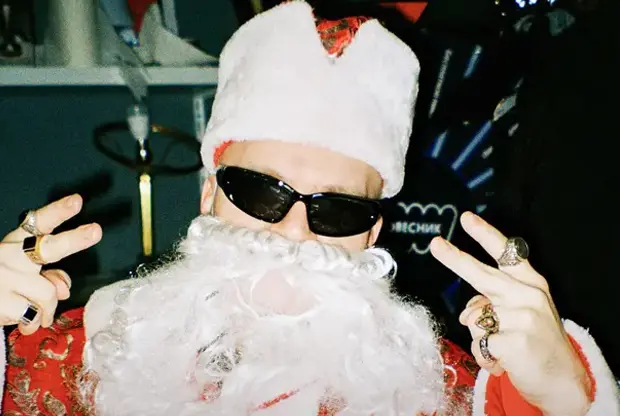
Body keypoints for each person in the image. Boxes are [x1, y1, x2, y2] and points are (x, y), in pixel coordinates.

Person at [0, 2, 618, 415]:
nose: (294, 232)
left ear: (372, 232)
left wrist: (563, 395)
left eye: (336, 210)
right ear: (209, 193)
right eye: (261, 191)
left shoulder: (441, 390)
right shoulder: (69, 359)